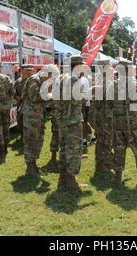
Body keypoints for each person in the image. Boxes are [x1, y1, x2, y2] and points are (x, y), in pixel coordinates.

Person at [110, 59, 137, 186]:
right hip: (132, 123)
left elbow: (109, 105)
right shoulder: (134, 85)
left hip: (117, 123)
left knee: (119, 150)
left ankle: (118, 178)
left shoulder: (113, 85)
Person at [54, 56, 88, 190]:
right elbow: (77, 100)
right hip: (73, 120)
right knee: (74, 151)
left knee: (63, 150)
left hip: (62, 120)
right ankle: (71, 181)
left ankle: (62, 178)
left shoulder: (60, 78)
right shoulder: (74, 80)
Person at [21, 66, 49, 176]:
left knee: (38, 138)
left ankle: (34, 164)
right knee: (31, 140)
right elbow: (34, 97)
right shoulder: (34, 80)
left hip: (37, 114)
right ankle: (30, 166)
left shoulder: (40, 80)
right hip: (31, 115)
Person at [92, 60, 114, 174]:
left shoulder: (98, 79)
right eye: (109, 67)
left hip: (100, 115)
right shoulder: (105, 81)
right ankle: (103, 165)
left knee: (101, 139)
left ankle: (102, 163)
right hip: (105, 116)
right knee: (105, 140)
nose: (112, 69)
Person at [15, 66, 35, 148]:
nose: (24, 72)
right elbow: (14, 92)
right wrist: (17, 97)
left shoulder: (32, 81)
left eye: (27, 70)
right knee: (20, 121)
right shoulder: (18, 81)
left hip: (31, 105)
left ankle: (30, 138)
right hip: (21, 104)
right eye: (23, 70)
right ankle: (23, 136)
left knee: (30, 122)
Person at [79, 72, 94, 151]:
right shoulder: (85, 79)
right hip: (86, 103)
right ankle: (92, 137)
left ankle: (84, 141)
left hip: (84, 104)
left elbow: (83, 94)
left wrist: (82, 107)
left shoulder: (82, 80)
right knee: (85, 121)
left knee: (83, 122)